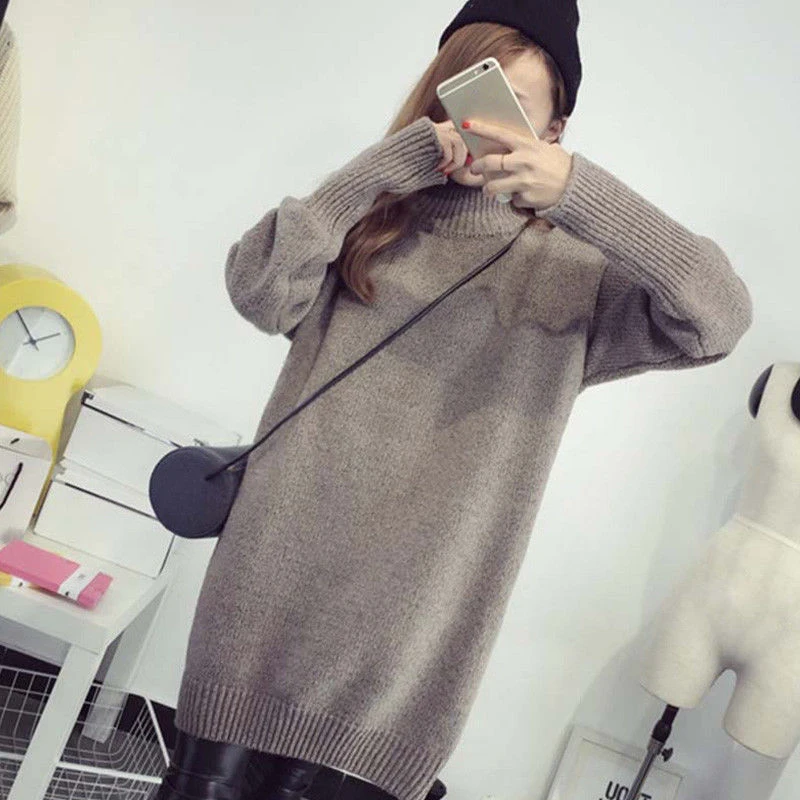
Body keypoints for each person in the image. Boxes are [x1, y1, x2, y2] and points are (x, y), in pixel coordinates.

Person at [155, 3, 754, 799]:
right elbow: (258, 288)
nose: (479, 125)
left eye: (511, 108)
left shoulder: (574, 274)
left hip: (404, 654)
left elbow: (719, 317)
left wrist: (581, 194)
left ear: (554, 131)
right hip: (262, 604)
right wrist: (376, 171)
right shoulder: (369, 225)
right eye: (464, 96)